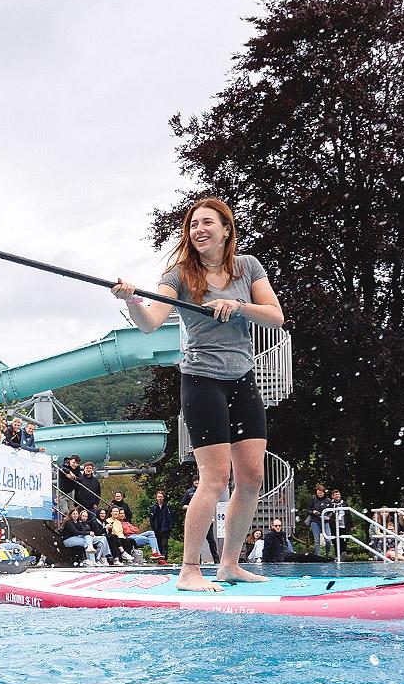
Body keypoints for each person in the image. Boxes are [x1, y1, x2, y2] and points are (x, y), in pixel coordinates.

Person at [111, 197, 284, 591]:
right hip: (202, 381)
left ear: (226, 229)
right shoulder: (178, 276)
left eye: (207, 223)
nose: (198, 230)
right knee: (215, 478)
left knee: (253, 477)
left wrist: (238, 306)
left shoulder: (248, 267)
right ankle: (189, 569)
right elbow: (151, 324)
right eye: (193, 225)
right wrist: (132, 299)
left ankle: (229, 564)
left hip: (242, 378)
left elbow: (275, 316)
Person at [181, 477, 221, 564]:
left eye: (198, 480)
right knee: (195, 541)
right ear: (193, 482)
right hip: (195, 519)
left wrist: (212, 516)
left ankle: (216, 559)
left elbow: (210, 504)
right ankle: (196, 560)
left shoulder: (207, 491)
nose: (197, 482)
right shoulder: (189, 492)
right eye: (195, 480)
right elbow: (183, 505)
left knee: (211, 539)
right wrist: (192, 507)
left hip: (206, 518)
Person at [149, 491, 175, 558]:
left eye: (161, 497)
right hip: (157, 528)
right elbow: (151, 519)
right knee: (158, 543)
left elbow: (172, 517)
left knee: (164, 543)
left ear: (163, 497)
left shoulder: (168, 507)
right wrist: (153, 528)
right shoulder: (154, 507)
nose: (159, 498)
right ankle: (159, 556)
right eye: (158, 497)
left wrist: (170, 527)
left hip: (165, 528)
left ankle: (164, 556)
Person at [307, 484, 331, 556]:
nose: (320, 494)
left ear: (324, 492)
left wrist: (328, 516)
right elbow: (308, 510)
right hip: (315, 521)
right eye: (318, 493)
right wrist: (313, 512)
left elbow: (332, 511)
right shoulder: (313, 499)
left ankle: (328, 554)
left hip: (325, 521)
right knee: (317, 540)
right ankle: (318, 555)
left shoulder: (328, 500)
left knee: (328, 539)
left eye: (321, 493)